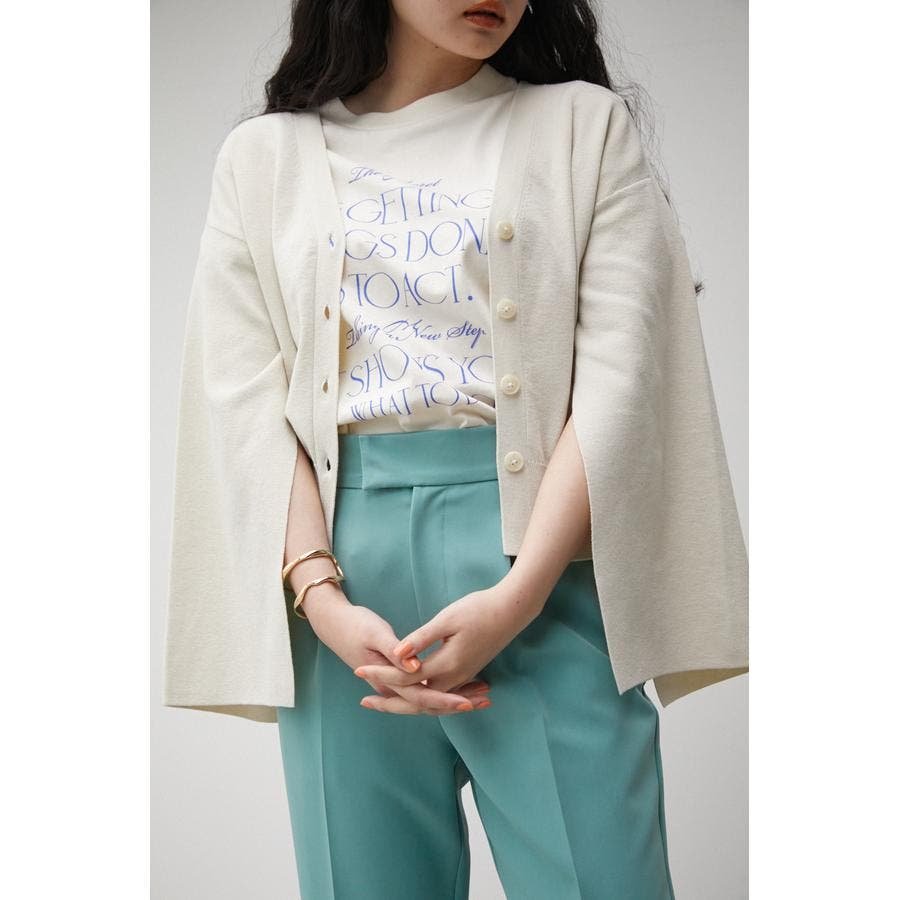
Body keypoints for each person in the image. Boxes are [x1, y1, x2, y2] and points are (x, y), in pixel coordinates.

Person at [162, 1, 749, 897]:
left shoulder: (583, 128)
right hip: (341, 596)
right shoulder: (262, 158)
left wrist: (521, 593)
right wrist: (322, 600)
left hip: (541, 567)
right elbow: (242, 401)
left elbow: (621, 380)